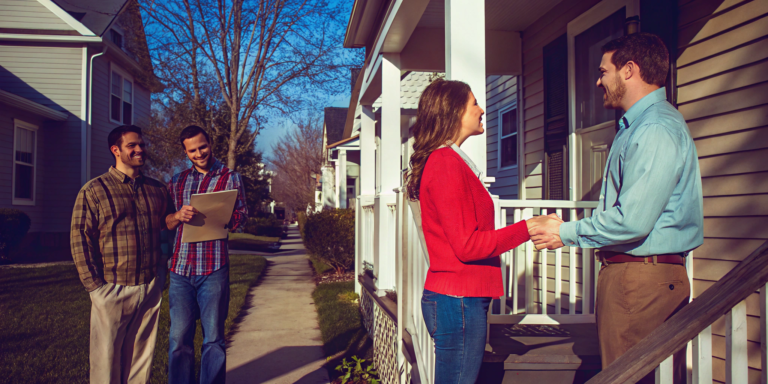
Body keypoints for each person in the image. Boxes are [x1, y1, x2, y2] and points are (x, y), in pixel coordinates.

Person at [528, 32, 703, 383]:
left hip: (640, 281)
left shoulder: (654, 129)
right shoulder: (638, 126)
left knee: (627, 377)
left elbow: (632, 221)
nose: (598, 80)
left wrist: (564, 232)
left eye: (603, 71)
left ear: (628, 70)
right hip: (638, 278)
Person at [404, 79, 554, 384]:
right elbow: (468, 246)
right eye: (474, 103)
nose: (482, 109)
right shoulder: (445, 162)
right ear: (455, 111)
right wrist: (528, 227)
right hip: (457, 300)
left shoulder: (451, 160)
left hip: (459, 299)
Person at [71, 125, 170, 384]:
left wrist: (160, 274)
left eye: (142, 145)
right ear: (116, 150)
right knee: (106, 364)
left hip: (149, 287)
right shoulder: (94, 191)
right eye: (132, 146)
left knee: (141, 361)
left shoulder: (157, 190)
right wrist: (95, 288)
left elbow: (164, 229)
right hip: (112, 288)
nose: (140, 150)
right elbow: (80, 238)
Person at [166, 125, 248, 384]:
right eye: (192, 150)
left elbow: (242, 218)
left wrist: (223, 217)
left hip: (213, 268)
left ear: (210, 143)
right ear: (185, 151)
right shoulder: (177, 181)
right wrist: (178, 215)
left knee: (213, 338)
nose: (199, 153)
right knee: (179, 339)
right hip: (180, 269)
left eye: (202, 147)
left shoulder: (230, 177)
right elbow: (164, 222)